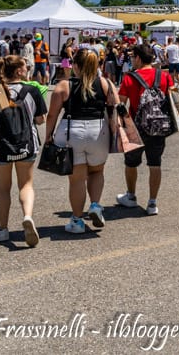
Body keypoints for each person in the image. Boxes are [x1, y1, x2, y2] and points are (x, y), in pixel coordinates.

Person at [45, 48, 120, 234]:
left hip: (71, 132)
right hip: (99, 132)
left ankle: (77, 221)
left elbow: (52, 114)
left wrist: (48, 135)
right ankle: (95, 205)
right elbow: (116, 107)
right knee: (97, 171)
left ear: (75, 66)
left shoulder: (64, 86)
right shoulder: (106, 83)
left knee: (76, 179)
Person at [0, 55, 46, 246]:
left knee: (3, 188)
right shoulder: (32, 90)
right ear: (19, 71)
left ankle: (3, 228)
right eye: (26, 67)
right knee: (26, 184)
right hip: (26, 142)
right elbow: (40, 119)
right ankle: (27, 216)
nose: (28, 70)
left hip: (1, 144)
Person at [116, 43, 175, 216]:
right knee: (155, 163)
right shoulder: (164, 76)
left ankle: (131, 196)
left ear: (139, 58)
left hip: (136, 127)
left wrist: (119, 126)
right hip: (159, 126)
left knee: (131, 163)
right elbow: (173, 99)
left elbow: (121, 104)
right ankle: (152, 203)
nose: (132, 60)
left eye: (132, 57)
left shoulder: (130, 78)